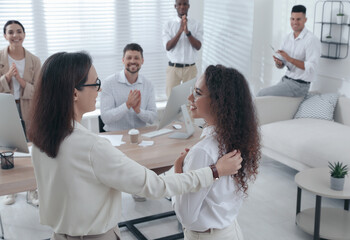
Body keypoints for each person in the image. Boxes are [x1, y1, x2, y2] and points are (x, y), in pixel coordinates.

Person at [27, 51, 242, 239]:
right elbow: (155, 187)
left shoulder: (39, 139)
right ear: (75, 93)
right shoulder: (91, 146)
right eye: (96, 84)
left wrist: (176, 169)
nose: (99, 91)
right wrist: (214, 171)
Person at [172, 65, 261, 240]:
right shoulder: (237, 138)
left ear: (219, 101)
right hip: (231, 232)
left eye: (197, 93)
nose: (190, 97)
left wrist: (178, 171)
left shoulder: (203, 151)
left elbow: (186, 217)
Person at [0, 20, 41, 206]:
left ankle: (33, 190)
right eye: (11, 32)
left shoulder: (34, 60)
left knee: (32, 147)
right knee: (7, 148)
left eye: (19, 31)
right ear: (5, 36)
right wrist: (7, 77)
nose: (15, 35)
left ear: (24, 34)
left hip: (28, 106)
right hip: (6, 106)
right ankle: (11, 190)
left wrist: (20, 80)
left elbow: (40, 89)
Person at [257, 5, 321, 97]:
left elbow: (311, 67)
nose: (295, 22)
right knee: (264, 97)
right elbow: (281, 65)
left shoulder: (311, 40)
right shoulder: (287, 38)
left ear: (305, 20)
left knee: (261, 94)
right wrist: (279, 63)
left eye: (298, 19)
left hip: (299, 86)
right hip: (285, 80)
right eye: (292, 19)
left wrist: (290, 59)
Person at [100, 43, 157, 132]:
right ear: (123, 60)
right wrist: (127, 105)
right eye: (129, 58)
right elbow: (106, 118)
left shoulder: (148, 84)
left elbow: (152, 118)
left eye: (136, 58)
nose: (132, 61)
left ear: (142, 61)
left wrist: (138, 111)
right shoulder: (109, 83)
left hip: (140, 135)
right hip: (115, 136)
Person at [162, 0, 203, 97]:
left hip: (190, 69)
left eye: (185, 4)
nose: (182, 6)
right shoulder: (168, 24)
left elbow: (198, 46)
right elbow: (168, 46)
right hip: (173, 69)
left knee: (190, 101)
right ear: (175, 6)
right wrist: (180, 31)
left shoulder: (196, 24)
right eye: (179, 4)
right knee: (171, 101)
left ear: (188, 6)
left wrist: (187, 32)